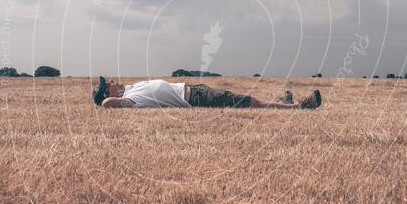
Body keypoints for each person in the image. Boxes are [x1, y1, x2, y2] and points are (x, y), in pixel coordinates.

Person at [92, 76, 321, 110]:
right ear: (106, 93)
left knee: (241, 97)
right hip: (197, 99)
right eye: (107, 85)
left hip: (195, 89)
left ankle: (280, 102)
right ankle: (297, 106)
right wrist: (107, 99)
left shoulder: (130, 87)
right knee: (246, 101)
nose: (111, 81)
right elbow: (107, 105)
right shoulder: (128, 100)